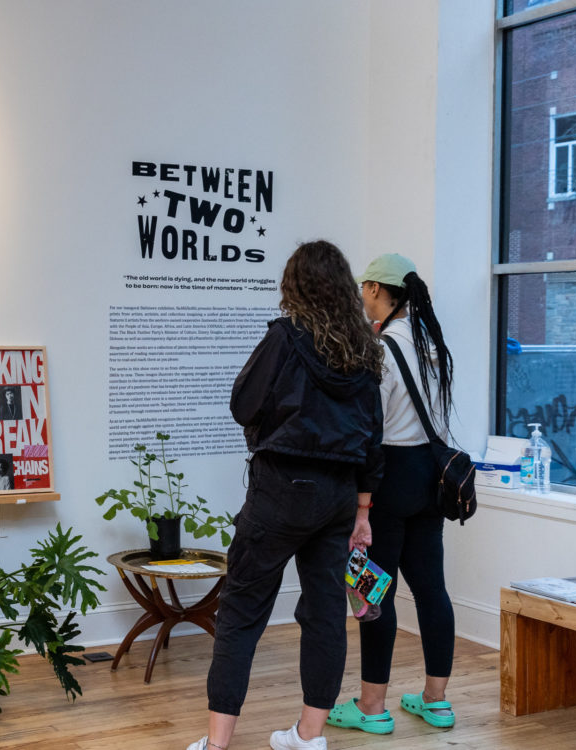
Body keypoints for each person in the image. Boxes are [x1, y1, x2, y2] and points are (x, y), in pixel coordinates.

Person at [189, 240, 384, 750]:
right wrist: (363, 512)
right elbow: (372, 440)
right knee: (325, 615)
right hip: (340, 496)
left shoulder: (286, 337)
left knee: (241, 612)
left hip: (282, 490)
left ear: (294, 286)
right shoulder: (363, 349)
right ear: (344, 287)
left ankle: (216, 745)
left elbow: (242, 402)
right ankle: (308, 736)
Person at [327, 253, 458, 736]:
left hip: (391, 477)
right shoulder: (432, 344)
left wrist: (361, 502)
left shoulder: (380, 349)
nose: (361, 296)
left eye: (364, 287)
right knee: (431, 590)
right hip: (431, 477)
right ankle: (436, 701)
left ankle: (372, 707)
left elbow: (370, 430)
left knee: (371, 590)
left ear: (380, 291)